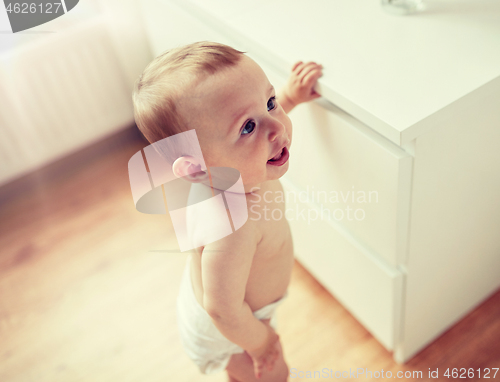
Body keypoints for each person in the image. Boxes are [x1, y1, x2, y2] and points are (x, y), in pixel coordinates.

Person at [133, 41, 322, 382]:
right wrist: (262, 344)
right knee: (273, 375)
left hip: (240, 309)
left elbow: (255, 122)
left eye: (270, 103)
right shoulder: (230, 225)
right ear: (197, 169)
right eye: (248, 127)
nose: (277, 127)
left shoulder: (230, 168)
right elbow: (222, 310)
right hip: (230, 328)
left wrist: (289, 98)